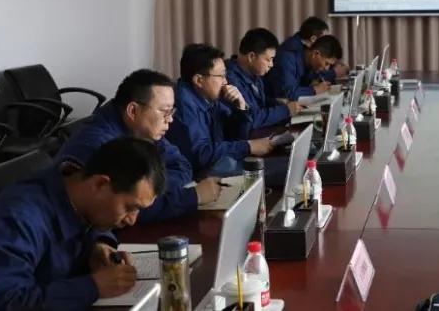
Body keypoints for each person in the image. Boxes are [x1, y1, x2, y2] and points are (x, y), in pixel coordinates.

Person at [0, 137, 165, 311]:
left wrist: (98, 244)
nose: (132, 219)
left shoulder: (76, 191)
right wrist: (93, 287)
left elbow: (87, 223)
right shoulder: (17, 220)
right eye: (130, 207)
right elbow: (2, 304)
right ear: (100, 184)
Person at [56, 69, 223, 220]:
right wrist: (192, 197)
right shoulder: (99, 145)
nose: (170, 119)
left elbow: (181, 165)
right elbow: (126, 208)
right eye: (165, 112)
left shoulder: (142, 130)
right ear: (133, 110)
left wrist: (150, 188)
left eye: (172, 111)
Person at [167, 43, 273, 178]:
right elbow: (201, 154)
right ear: (199, 80)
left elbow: (236, 135)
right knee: (269, 172)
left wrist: (241, 108)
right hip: (199, 177)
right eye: (221, 76)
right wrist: (248, 147)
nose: (225, 82)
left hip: (219, 165)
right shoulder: (183, 103)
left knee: (272, 167)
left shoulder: (208, 96)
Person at [226, 27, 301, 129]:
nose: (271, 65)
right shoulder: (230, 79)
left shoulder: (254, 73)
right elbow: (251, 118)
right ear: (251, 56)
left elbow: (258, 104)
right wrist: (286, 110)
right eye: (268, 60)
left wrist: (277, 102)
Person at [266, 33, 344, 102]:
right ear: (315, 54)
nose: (326, 69)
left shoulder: (311, 63)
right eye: (326, 63)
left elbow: (316, 80)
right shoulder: (287, 59)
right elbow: (287, 94)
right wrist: (315, 90)